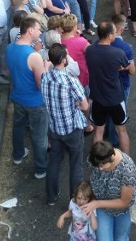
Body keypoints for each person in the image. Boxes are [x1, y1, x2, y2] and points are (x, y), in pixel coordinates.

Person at [42, 43, 90, 206]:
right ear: (63, 60)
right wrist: (76, 104)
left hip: (54, 127)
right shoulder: (71, 81)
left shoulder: (45, 77)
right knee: (76, 165)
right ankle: (75, 200)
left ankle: (51, 197)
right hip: (71, 128)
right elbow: (85, 106)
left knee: (54, 160)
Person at [6, 18, 49, 179]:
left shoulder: (10, 48)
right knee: (39, 135)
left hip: (17, 96)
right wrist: (46, 67)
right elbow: (40, 84)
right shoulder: (34, 56)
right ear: (30, 30)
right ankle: (40, 168)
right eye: (38, 29)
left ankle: (18, 155)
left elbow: (9, 71)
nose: (40, 32)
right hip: (35, 101)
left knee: (18, 127)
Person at [85, 22, 133, 154]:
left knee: (98, 131)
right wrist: (124, 67)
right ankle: (126, 160)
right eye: (114, 32)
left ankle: (96, 160)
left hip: (97, 97)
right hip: (115, 98)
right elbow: (130, 69)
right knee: (121, 130)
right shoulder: (118, 52)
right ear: (110, 35)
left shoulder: (89, 50)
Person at [82, 141, 136, 241]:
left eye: (102, 166)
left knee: (120, 238)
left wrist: (97, 203)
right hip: (102, 208)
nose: (100, 168)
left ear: (112, 159)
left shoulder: (127, 169)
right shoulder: (96, 157)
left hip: (122, 212)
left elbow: (124, 202)